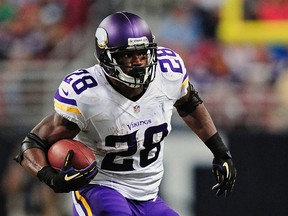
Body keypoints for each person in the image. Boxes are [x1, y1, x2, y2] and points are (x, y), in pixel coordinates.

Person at [15, 11, 237, 216]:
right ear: (107, 58)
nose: (139, 62)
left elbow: (190, 105)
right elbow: (32, 143)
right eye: (128, 56)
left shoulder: (167, 73)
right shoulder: (88, 94)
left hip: (148, 195)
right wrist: (51, 178)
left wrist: (220, 152)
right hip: (101, 187)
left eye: (143, 54)